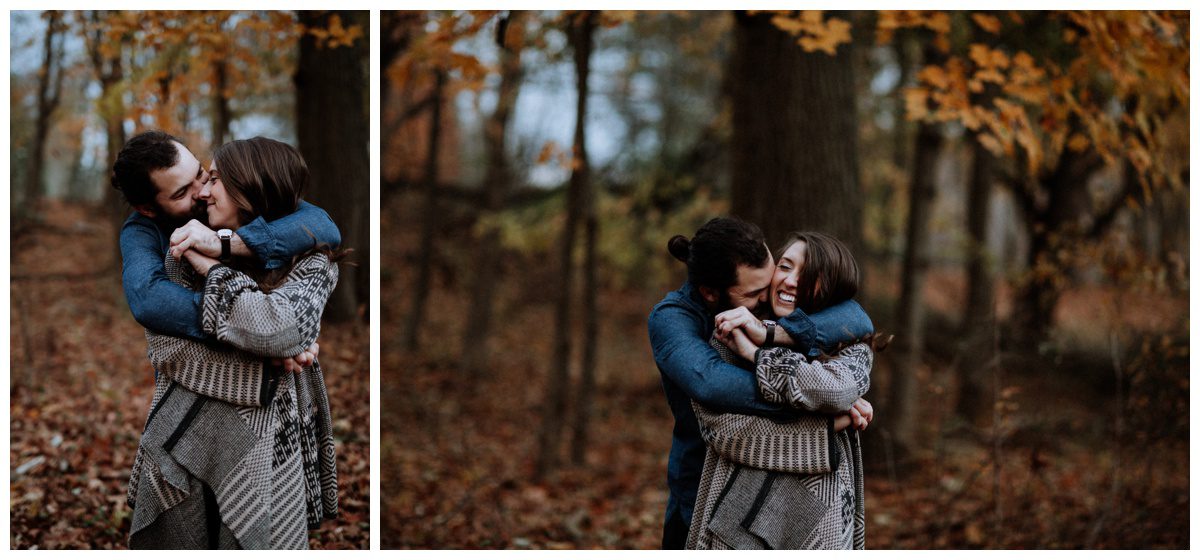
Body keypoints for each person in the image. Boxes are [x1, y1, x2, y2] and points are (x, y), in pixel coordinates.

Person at [121, 137, 345, 549]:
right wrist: (262, 344)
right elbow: (162, 336)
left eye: (206, 176)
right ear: (149, 208)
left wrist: (219, 258)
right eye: (182, 193)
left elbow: (323, 231)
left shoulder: (307, 255)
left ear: (251, 187)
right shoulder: (167, 245)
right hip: (184, 430)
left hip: (271, 435)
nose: (201, 192)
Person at [647, 218, 875, 549]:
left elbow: (856, 318)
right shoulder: (673, 319)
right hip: (703, 485)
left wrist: (773, 336)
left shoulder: (766, 315)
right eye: (756, 293)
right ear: (711, 294)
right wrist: (819, 403)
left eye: (771, 278)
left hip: (804, 501)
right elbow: (713, 385)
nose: (774, 292)